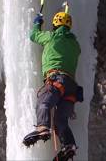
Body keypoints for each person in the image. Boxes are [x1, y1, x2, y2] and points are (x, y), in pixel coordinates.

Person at [22, 11, 83, 160]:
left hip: (57, 79)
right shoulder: (75, 44)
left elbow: (34, 35)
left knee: (44, 103)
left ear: (55, 24)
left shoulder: (52, 36)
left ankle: (42, 127)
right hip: (71, 88)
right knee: (60, 120)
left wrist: (38, 22)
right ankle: (69, 145)